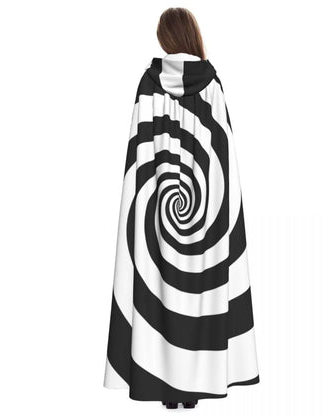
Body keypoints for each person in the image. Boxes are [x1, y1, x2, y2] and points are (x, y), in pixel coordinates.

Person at [103, 7, 260, 410]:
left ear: (165, 38)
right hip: (208, 214)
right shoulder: (212, 84)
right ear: (191, 35)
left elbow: (139, 152)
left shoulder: (148, 84)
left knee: (158, 295)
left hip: (155, 208)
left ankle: (165, 389)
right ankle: (194, 389)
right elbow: (223, 153)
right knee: (202, 298)